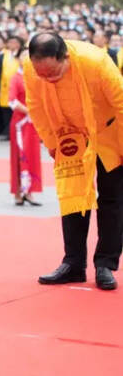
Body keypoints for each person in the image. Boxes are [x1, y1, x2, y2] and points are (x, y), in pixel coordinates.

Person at [25, 32, 123, 291]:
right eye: (43, 76)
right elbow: (34, 105)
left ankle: (105, 264)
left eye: (54, 74)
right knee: (72, 197)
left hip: (108, 132)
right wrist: (51, 142)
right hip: (70, 135)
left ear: (65, 56)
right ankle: (73, 263)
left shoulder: (96, 62)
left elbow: (122, 103)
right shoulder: (31, 68)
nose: (49, 80)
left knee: (112, 198)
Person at [8, 48, 42, 206]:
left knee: (33, 157)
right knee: (18, 157)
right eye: (24, 55)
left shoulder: (36, 77)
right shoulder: (15, 78)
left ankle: (29, 191)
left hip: (33, 123)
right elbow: (12, 101)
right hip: (20, 124)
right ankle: (17, 192)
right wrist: (29, 111)